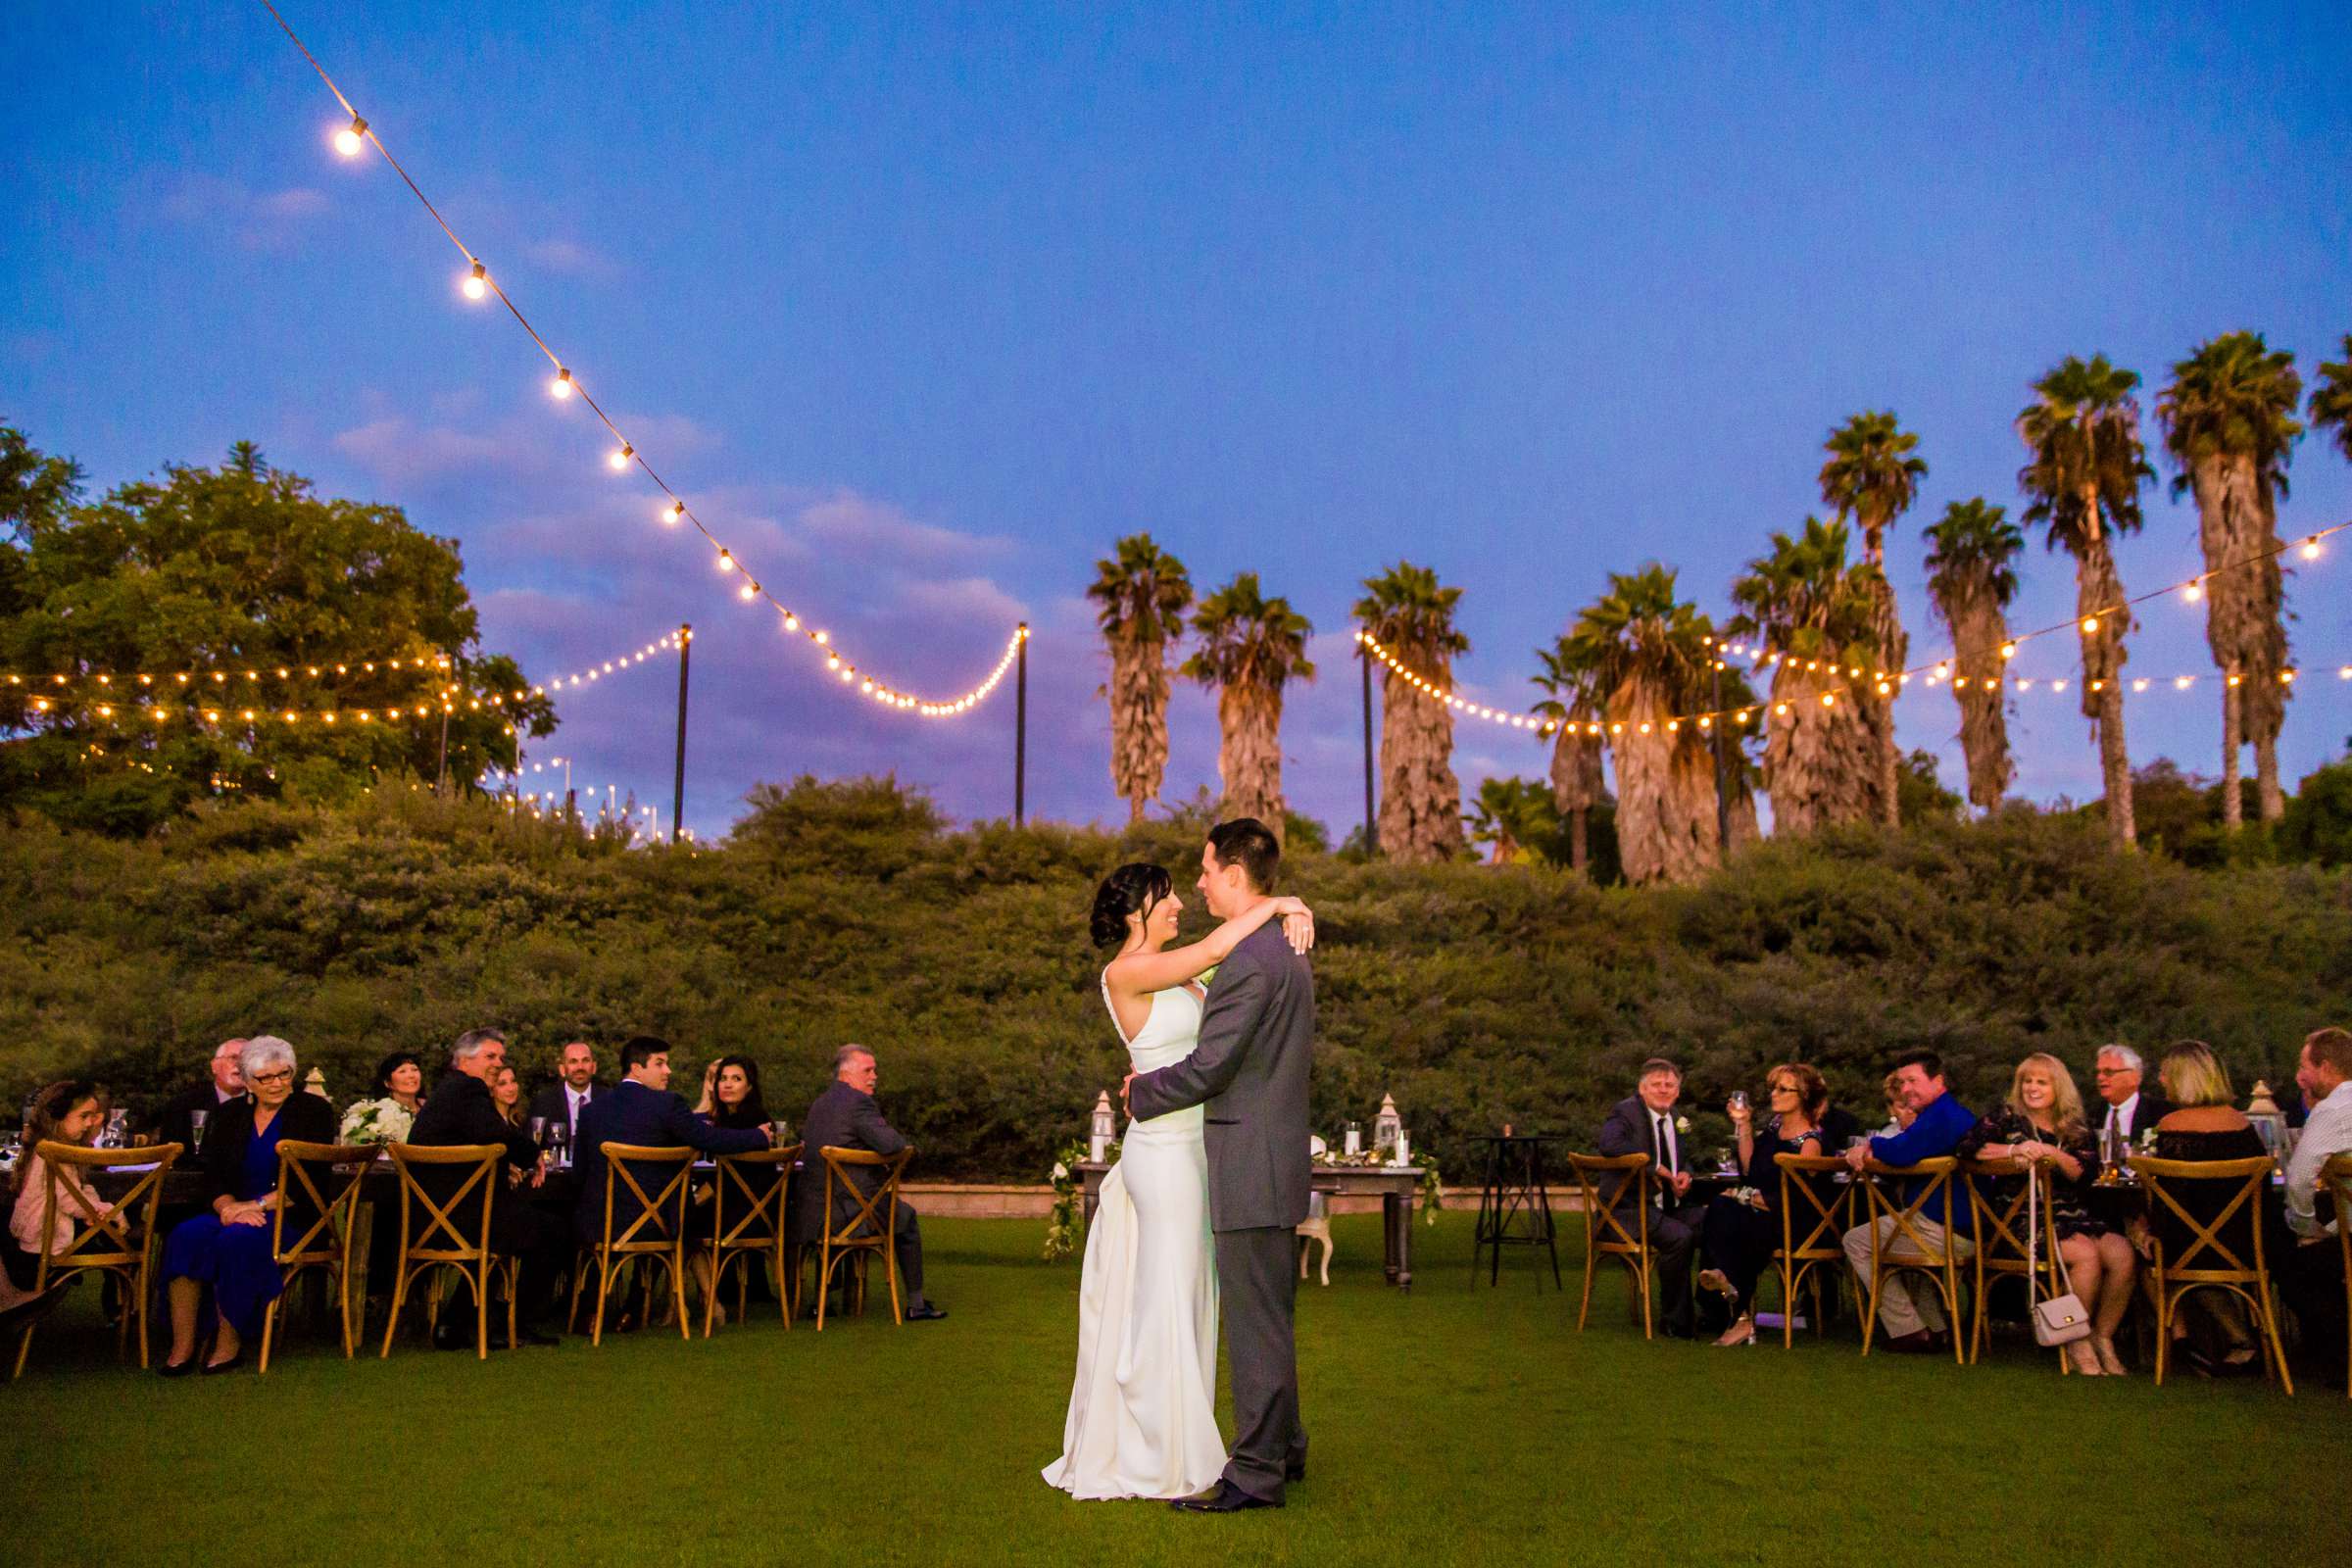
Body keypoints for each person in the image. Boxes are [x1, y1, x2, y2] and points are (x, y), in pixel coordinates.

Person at [1045, 858, 1315, 1502]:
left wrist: (1289, 913)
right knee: (1169, 1298)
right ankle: (1159, 1453)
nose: (1177, 906)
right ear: (1137, 911)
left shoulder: (1190, 979)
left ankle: (1238, 1441)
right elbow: (1220, 945)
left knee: (1194, 1298)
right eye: (1165, 899)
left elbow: (1229, 1026)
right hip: (1163, 1155)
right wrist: (1284, 903)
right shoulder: (1128, 970)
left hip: (1201, 1151)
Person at [1118, 818, 1317, 1516]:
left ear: (1235, 874)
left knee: (1256, 1324)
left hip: (1248, 1164)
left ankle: (1256, 1472)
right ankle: (1286, 1446)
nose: (1198, 883)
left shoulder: (1251, 961)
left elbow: (1212, 1065)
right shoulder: (1281, 950)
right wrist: (1290, 904)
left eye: (1205, 871)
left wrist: (1142, 1094)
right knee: (1273, 1315)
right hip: (1274, 1159)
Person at [158, 1036, 337, 1374]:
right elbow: (214, 1177)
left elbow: (305, 1183)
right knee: (185, 1235)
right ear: (248, 1081)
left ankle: (229, 1342)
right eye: (265, 1078)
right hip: (235, 1211)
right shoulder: (229, 1115)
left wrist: (252, 1207)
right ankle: (183, 1344)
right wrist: (227, 1207)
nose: (276, 1084)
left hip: (291, 1215)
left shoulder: (314, 1112)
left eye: (284, 1074)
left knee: (236, 1238)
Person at [1958, 1054, 2136, 1375]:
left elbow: (2084, 1173)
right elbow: (1967, 1149)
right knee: (2085, 1254)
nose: (2032, 1088)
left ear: (2058, 1087)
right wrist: (2014, 1150)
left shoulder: (2074, 1127)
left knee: (2122, 1253)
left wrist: (2052, 1154)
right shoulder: (2006, 1118)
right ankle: (2074, 1336)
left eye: (2041, 1081)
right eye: (2027, 1081)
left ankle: (2103, 1336)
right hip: (2020, 1218)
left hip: (2071, 1214)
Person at [407, 1027, 567, 1348]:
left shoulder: (447, 1092)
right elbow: (494, 1132)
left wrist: (506, 1162)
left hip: (431, 1218)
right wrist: (533, 1154)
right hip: (460, 1217)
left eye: (501, 1058)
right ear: (464, 1060)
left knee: (510, 1225)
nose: (498, 1063)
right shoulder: (469, 1089)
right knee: (553, 1232)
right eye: (490, 1056)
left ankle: (457, 1325)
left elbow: (478, 1138)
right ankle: (513, 1322)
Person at [571, 1037, 769, 1265]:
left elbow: (579, 1177)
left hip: (598, 1225)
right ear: (636, 1069)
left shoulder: (590, 1111)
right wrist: (758, 1135)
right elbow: (709, 1138)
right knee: (688, 1213)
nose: (668, 1070)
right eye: (660, 1063)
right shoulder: (667, 1104)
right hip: (658, 1224)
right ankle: (697, 1298)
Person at [2143, 1040, 2268, 1376]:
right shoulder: (2243, 1125)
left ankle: (2186, 1343)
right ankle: (2241, 1341)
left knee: (2147, 1258)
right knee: (2194, 1249)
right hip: (2247, 1244)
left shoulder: (2172, 1126)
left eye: (2167, 1074)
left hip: (2192, 1247)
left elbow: (2169, 1197)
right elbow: (2263, 1191)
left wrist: (2150, 1232)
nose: (2161, 1080)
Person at [1840, 1050, 1976, 1350]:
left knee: (1856, 1241)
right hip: (1963, 1228)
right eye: (1902, 1083)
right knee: (1903, 1245)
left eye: (1912, 1080)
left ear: (1938, 1081)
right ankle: (1936, 1328)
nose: (1905, 1090)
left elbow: (1901, 1151)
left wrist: (1867, 1146)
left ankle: (1908, 1330)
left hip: (1944, 1230)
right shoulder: (1951, 1114)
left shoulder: (1941, 1118)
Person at [798, 1045, 943, 1324]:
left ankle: (821, 1302)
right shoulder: (858, 1103)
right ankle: (916, 1304)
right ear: (846, 1074)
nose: (875, 1076)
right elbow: (894, 1144)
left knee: (836, 1207)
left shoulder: (819, 1104)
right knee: (907, 1219)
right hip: (853, 1212)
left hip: (812, 1213)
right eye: (868, 1070)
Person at [1696, 1063, 1826, 1347]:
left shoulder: (1809, 1142)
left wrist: (1744, 1197)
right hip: (1759, 1215)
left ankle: (1728, 1294)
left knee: (1727, 1213)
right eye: (1774, 1088)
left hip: (1791, 1222)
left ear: (1803, 1095)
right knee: (1721, 1208)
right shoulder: (1774, 1129)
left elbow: (1794, 1199)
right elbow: (1750, 1170)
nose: (1774, 1094)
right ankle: (1738, 1311)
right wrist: (1743, 1124)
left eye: (1783, 1089)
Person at [1597, 1057, 1706, 1339]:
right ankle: (1676, 1322)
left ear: (1678, 1091)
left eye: (1669, 1085)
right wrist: (1653, 1166)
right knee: (1680, 1237)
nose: (1663, 1089)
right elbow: (1609, 1146)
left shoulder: (1676, 1118)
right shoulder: (1625, 1112)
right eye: (1656, 1084)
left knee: (1719, 1220)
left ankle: (1716, 1310)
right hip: (1626, 1212)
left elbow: (1686, 1160)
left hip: (1666, 1207)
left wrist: (1685, 1173)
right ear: (1642, 1089)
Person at [2, 1082, 111, 1331]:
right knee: (131, 1236)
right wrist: (107, 1211)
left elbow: (77, 1191)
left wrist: (96, 1207)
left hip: (37, 1238)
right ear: (57, 1117)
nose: (89, 1123)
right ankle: (125, 1312)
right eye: (84, 1116)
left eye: (93, 1117)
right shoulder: (57, 1153)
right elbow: (71, 1200)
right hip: (46, 1242)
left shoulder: (48, 1147)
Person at [2281, 1026, 2352, 1387]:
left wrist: (2307, 1228)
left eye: (2303, 1066)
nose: (2298, 1077)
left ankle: (2342, 1355)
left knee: (2292, 1267)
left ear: (2325, 1067)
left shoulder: (2334, 1109)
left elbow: (2298, 1179)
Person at [687, 1054, 778, 1328]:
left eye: (736, 1079)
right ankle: (701, 1301)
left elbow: (724, 1183)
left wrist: (696, 1199)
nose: (727, 1084)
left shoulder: (749, 1119)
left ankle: (704, 1302)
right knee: (683, 1215)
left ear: (750, 1087)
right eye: (722, 1079)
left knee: (681, 1221)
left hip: (745, 1216)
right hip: (751, 1212)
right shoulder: (735, 1118)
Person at [155, 1039, 246, 1152]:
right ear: (214, 1066)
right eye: (233, 1058)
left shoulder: (262, 1106)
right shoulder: (182, 1105)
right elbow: (168, 1155)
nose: (240, 1065)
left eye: (247, 1060)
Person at [2091, 1044, 2172, 1155]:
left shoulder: (2161, 1113)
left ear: (2134, 1077)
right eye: (2098, 1072)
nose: (2100, 1078)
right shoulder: (2092, 1116)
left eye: (2108, 1072)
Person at [339, 1051, 425, 1145]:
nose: (411, 1075)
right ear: (387, 1083)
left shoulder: (430, 1107)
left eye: (414, 1069)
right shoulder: (376, 1111)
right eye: (402, 1071)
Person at [525, 1041, 601, 1149]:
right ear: (562, 1069)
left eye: (585, 1060)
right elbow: (531, 1146)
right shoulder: (543, 1102)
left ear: (594, 1067)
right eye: (573, 1062)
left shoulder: (610, 1100)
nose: (580, 1067)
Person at [489, 1065, 526, 1129]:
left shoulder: (520, 1120)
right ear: (491, 1091)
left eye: (513, 1081)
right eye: (502, 1084)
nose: (511, 1089)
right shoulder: (487, 1123)